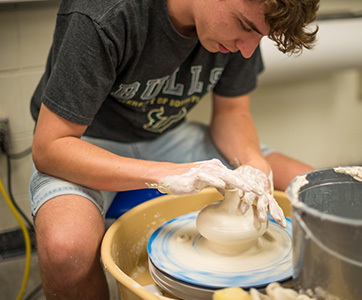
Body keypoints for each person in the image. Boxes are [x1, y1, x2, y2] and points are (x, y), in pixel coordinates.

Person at [29, 0, 319, 298]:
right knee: (66, 251)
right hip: (84, 142)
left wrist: (253, 163)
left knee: (315, 193)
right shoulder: (104, 12)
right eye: (245, 27)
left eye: (259, 36)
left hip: (170, 135)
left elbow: (232, 113)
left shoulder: (247, 17)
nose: (247, 49)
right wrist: (169, 174)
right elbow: (51, 147)